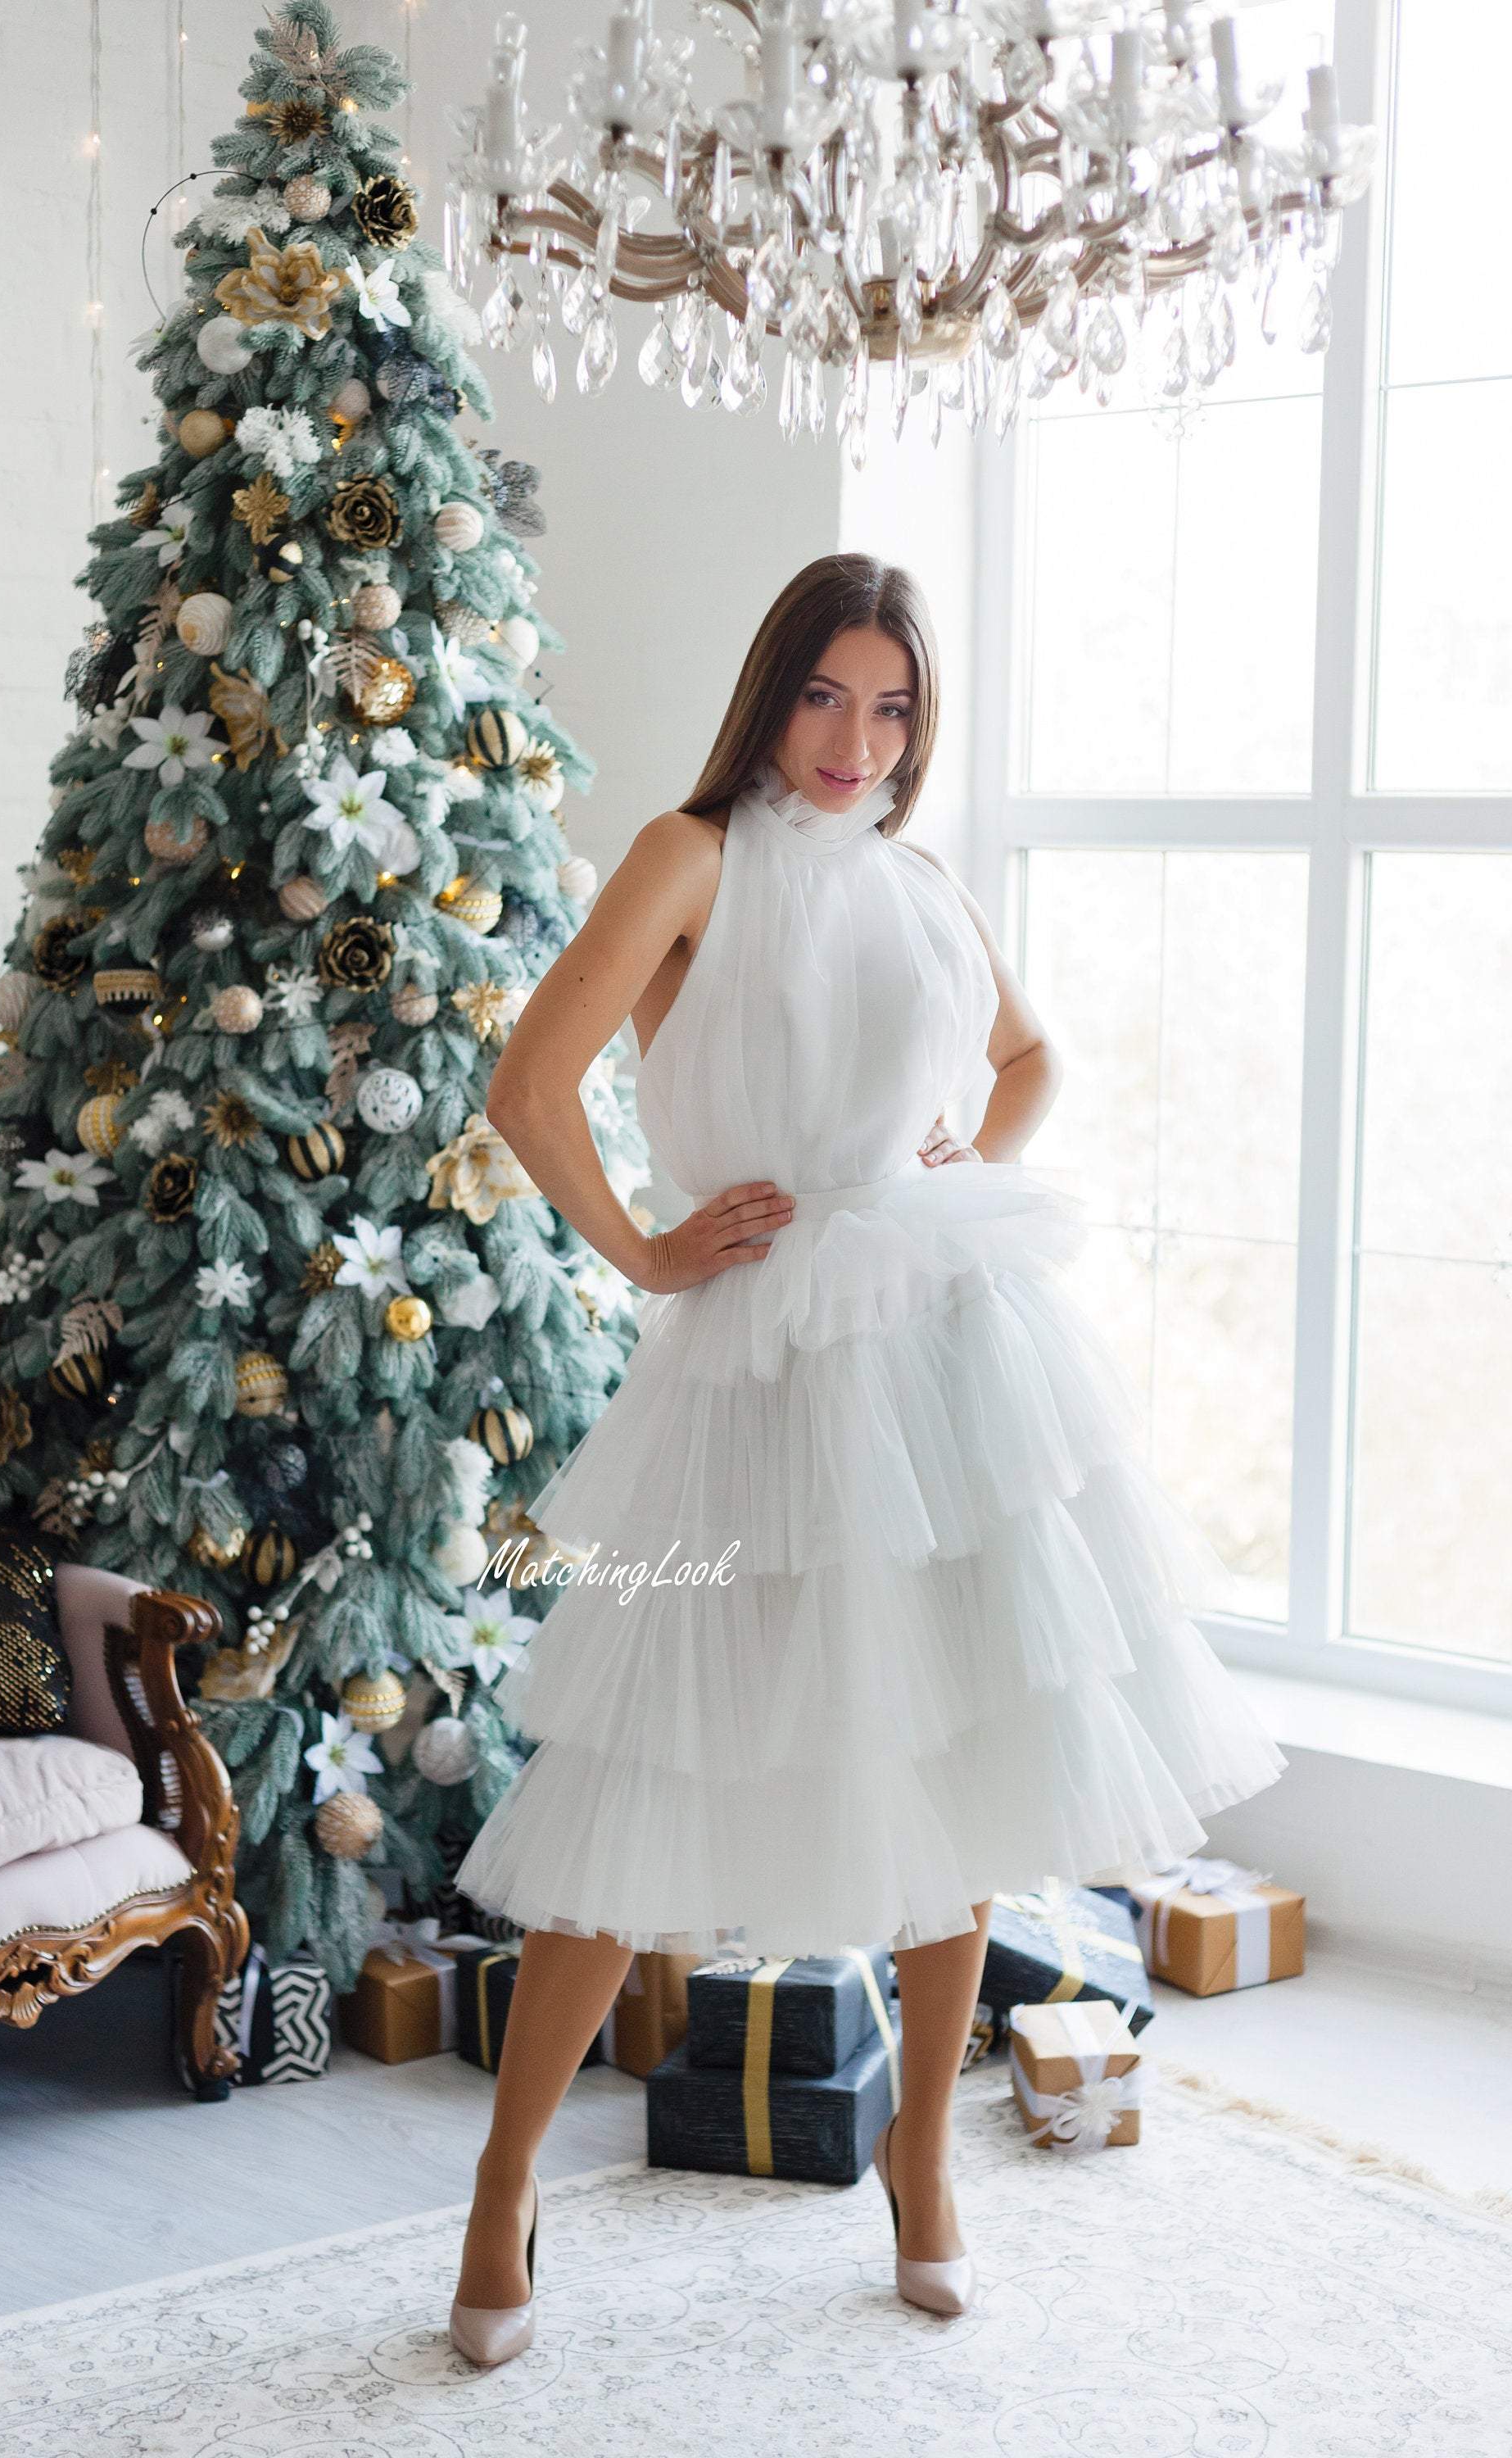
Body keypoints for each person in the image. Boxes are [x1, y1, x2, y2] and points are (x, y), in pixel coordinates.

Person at [444, 552, 1288, 2365]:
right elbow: (528, 1088)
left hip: (944, 1355)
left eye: (891, 705)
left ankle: (919, 2158)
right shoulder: (694, 856)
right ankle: (506, 2182)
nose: (857, 737)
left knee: (951, 1753)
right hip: (753, 1365)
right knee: (641, 1771)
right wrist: (651, 1250)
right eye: (826, 695)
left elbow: (1032, 1056)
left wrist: (946, 1166)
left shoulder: (917, 880)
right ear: (773, 697)